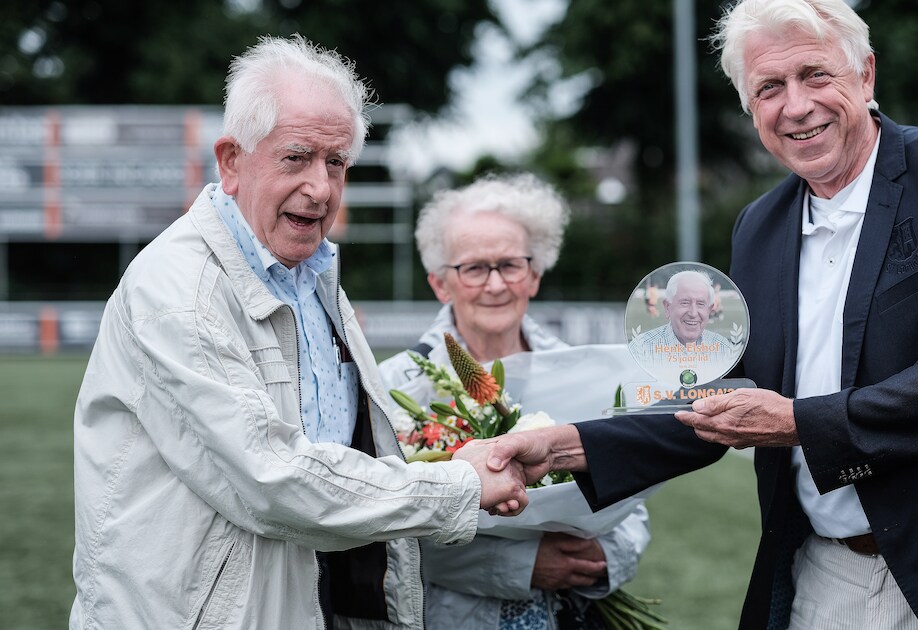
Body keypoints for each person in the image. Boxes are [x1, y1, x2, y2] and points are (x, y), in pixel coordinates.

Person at [486, 1, 918, 629]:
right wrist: (568, 444)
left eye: (815, 74)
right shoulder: (758, 227)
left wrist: (796, 422)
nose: (796, 105)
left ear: (865, 75)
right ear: (750, 109)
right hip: (824, 569)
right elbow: (727, 397)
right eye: (769, 88)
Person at [70, 35, 527, 630]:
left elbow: (334, 443)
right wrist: (457, 486)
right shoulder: (179, 291)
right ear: (232, 161)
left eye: (336, 163)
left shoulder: (309, 272)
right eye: (296, 157)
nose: (321, 187)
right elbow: (272, 479)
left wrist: (449, 455)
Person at [378, 173, 652, 629]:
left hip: (578, 612)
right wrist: (521, 568)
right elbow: (389, 535)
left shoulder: (581, 370)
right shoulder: (397, 388)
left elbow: (631, 496)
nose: (495, 284)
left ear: (536, 275)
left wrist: (603, 558)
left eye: (510, 265)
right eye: (473, 268)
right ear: (440, 283)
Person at [629, 269, 737, 385]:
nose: (693, 313)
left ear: (710, 310)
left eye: (701, 304)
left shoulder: (725, 348)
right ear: (667, 307)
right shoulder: (640, 348)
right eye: (684, 303)